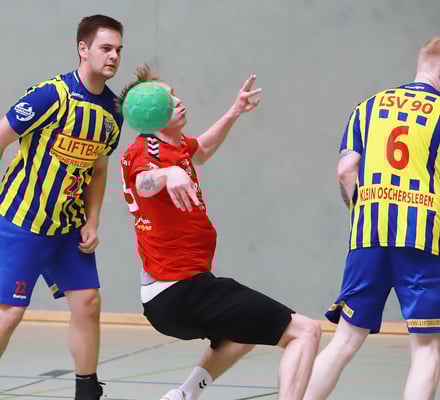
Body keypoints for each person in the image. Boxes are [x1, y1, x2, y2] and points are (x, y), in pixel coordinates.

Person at [119, 65, 321, 400]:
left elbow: (202, 150)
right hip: (180, 291)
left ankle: (184, 395)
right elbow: (143, 182)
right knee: (306, 332)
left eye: (174, 95)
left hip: (174, 293)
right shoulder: (147, 152)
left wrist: (234, 111)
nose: (179, 101)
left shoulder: (173, 145)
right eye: (168, 100)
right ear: (150, 114)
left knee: (246, 330)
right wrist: (168, 175)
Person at [304, 38, 440, 400]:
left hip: (368, 235)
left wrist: (362, 211)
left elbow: (345, 169)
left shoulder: (368, 106)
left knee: (345, 340)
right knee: (427, 348)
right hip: (423, 237)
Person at [0, 15, 123, 400]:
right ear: (83, 49)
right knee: (9, 314)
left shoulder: (113, 111)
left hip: (67, 227)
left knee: (88, 301)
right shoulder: (51, 95)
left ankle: (87, 391)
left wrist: (93, 220)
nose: (114, 56)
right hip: (22, 221)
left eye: (119, 50)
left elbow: (98, 169)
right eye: (106, 48)